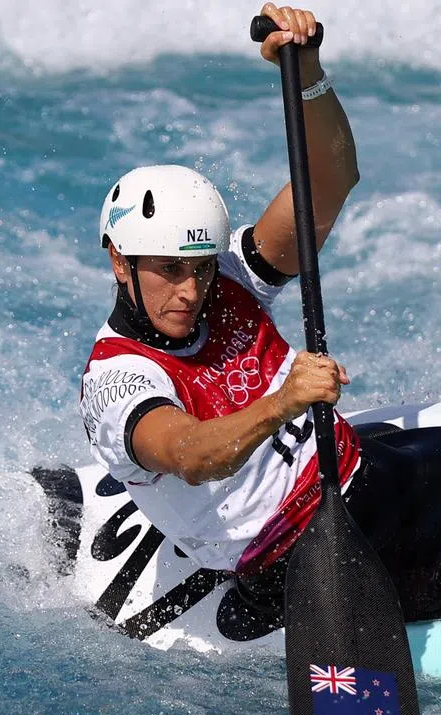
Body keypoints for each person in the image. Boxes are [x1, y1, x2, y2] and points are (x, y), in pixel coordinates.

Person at [78, 3, 406, 639]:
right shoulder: (117, 382)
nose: (190, 290)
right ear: (120, 260)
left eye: (199, 268)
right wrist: (285, 401)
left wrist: (306, 70)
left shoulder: (225, 280)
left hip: (353, 480)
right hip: (291, 561)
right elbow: (192, 454)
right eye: (168, 270)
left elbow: (333, 179)